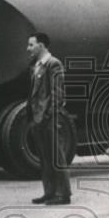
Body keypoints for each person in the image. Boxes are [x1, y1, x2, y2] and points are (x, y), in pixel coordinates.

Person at [26, 32, 71, 205]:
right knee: (45, 157)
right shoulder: (37, 65)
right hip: (38, 118)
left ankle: (63, 194)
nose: (28, 48)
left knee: (56, 156)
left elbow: (57, 93)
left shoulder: (54, 64)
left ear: (42, 45)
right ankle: (50, 192)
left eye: (31, 45)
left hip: (48, 118)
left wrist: (49, 115)